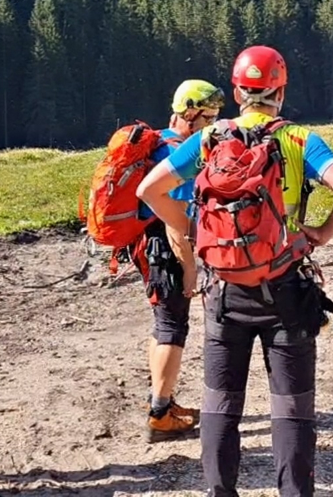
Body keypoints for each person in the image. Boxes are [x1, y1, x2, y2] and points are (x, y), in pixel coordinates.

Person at [137, 45, 333, 497]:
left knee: (221, 404)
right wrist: (320, 231)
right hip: (285, 289)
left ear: (239, 90)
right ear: (280, 90)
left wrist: (195, 228)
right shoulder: (299, 139)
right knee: (291, 409)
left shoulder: (206, 139)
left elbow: (150, 189)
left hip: (224, 292)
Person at [134, 79, 225, 443]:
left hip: (148, 247)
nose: (212, 124)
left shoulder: (158, 140)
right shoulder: (181, 152)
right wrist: (190, 268)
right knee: (174, 328)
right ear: (191, 114)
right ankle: (160, 414)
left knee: (163, 325)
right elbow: (178, 219)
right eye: (209, 116)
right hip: (166, 249)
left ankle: (163, 402)